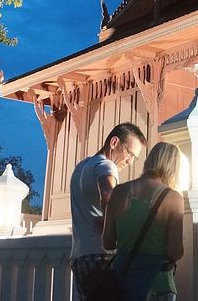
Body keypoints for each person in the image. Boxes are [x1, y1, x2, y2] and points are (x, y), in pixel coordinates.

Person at [70, 122, 148, 300]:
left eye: (135, 158)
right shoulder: (106, 165)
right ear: (114, 142)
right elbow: (107, 194)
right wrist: (111, 228)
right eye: (129, 153)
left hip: (80, 256)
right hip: (101, 258)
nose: (130, 161)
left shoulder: (81, 168)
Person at [103, 142, 185, 301]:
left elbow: (108, 243)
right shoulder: (173, 198)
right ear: (173, 168)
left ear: (149, 161)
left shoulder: (119, 192)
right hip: (156, 284)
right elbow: (174, 252)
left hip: (121, 284)